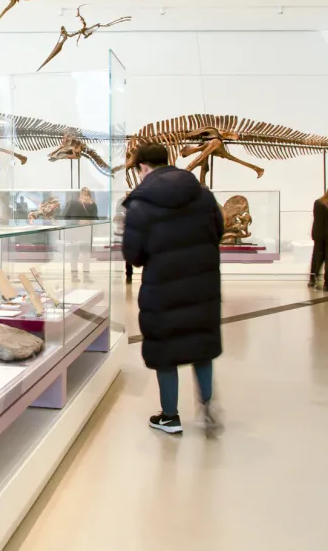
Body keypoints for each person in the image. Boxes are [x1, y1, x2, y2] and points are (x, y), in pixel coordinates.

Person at [122, 143, 223, 436]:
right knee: (200, 345)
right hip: (202, 286)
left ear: (142, 167)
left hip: (162, 290)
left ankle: (170, 416)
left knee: (166, 349)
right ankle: (207, 408)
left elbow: (134, 255)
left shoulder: (140, 204)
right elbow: (217, 231)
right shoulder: (203, 195)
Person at [63, 187, 98, 280]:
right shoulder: (73, 204)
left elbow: (95, 218)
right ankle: (74, 276)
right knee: (75, 254)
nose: (85, 197)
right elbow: (67, 218)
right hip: (76, 233)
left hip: (86, 233)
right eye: (83, 194)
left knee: (86, 255)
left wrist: (91, 207)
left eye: (87, 194)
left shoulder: (92, 205)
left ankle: (86, 276)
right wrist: (78, 222)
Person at [114, 197, 133, 283]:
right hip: (128, 231)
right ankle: (128, 274)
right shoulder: (121, 201)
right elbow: (118, 215)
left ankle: (128, 274)